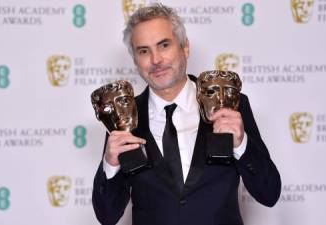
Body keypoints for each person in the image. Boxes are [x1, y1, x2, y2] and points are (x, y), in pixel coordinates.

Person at [92, 3, 281, 225]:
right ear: (135, 60)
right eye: (144, 51)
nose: (156, 60)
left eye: (164, 45)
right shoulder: (123, 119)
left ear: (185, 48)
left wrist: (242, 144)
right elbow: (107, 216)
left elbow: (269, 194)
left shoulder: (229, 105)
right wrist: (110, 164)